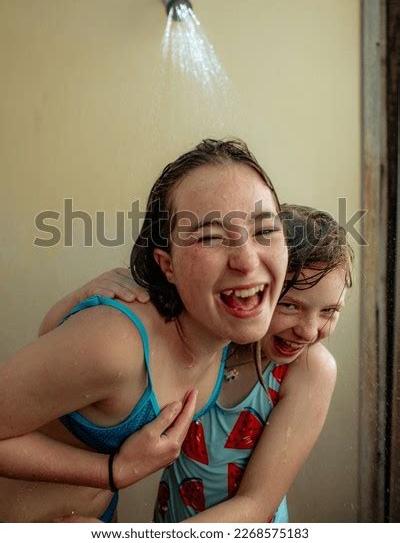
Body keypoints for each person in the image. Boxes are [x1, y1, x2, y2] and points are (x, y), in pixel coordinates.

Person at [0, 138, 288, 522]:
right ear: (166, 265)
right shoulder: (118, 344)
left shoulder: (226, 329)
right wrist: (113, 472)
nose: (247, 260)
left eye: (265, 230)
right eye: (210, 236)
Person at [55, 204, 353, 523]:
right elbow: (54, 355)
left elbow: (255, 505)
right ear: (254, 290)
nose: (308, 331)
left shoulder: (309, 370)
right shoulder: (204, 339)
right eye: (291, 305)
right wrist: (86, 295)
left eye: (329, 311)